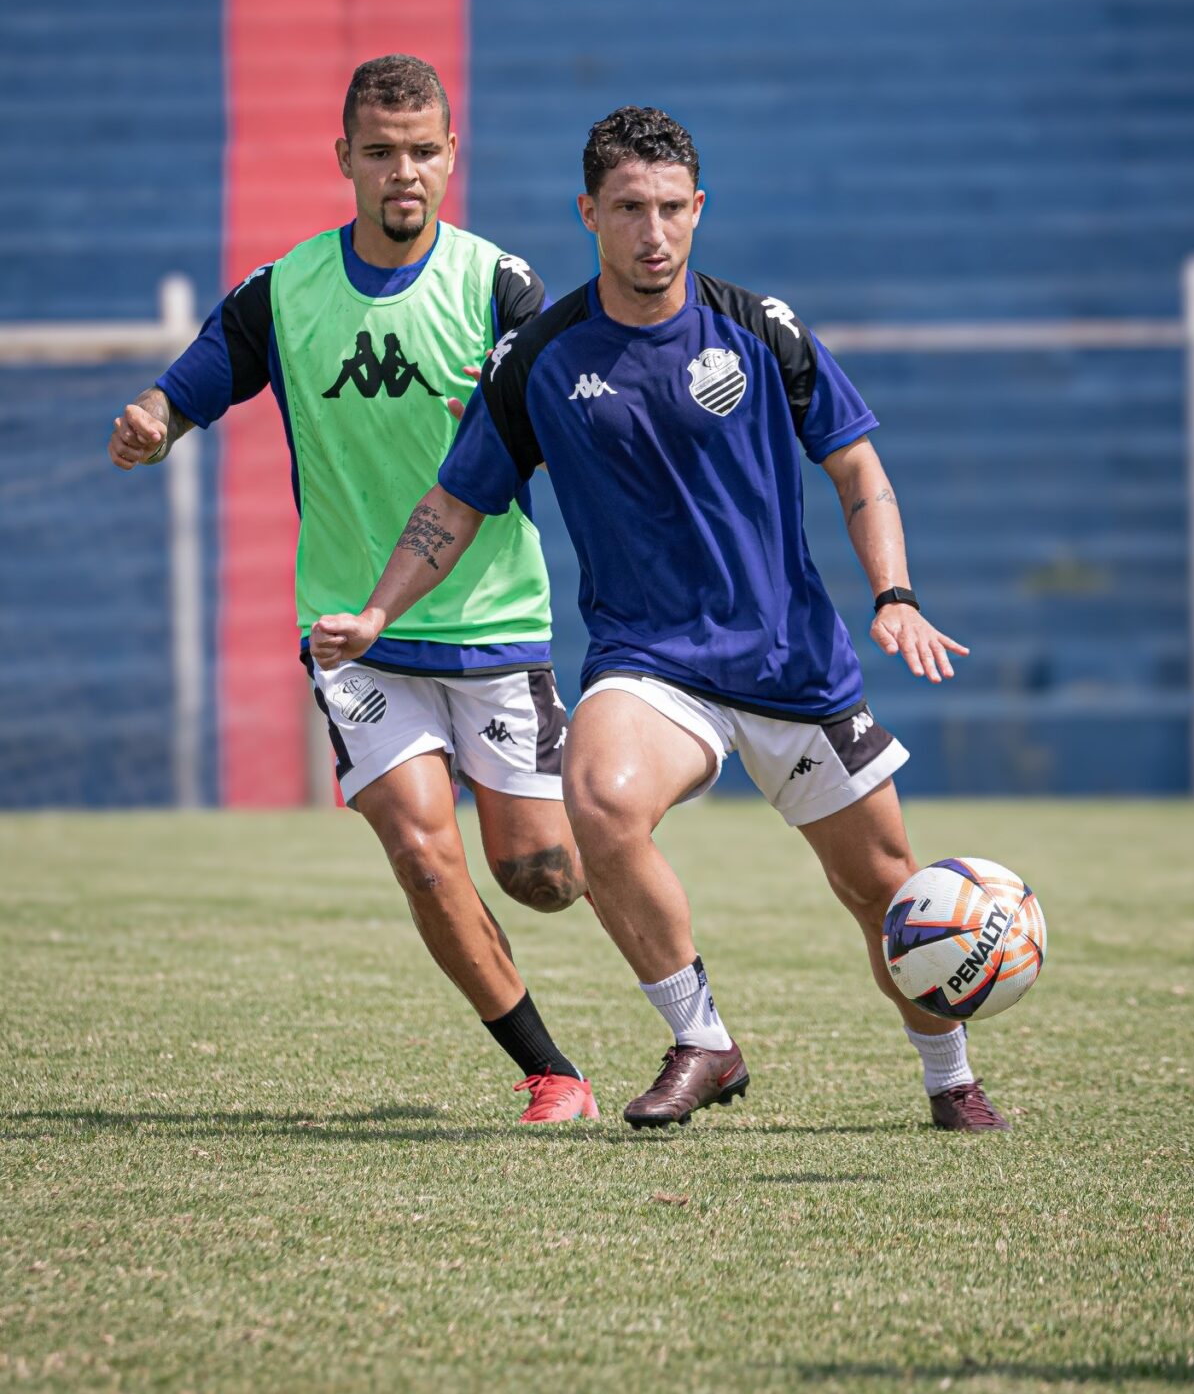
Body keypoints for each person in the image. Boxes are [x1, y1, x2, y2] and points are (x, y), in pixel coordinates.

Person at [311, 105, 1010, 1134]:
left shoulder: (760, 329)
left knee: (882, 892)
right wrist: (377, 612)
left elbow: (856, 467)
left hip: (790, 665)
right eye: (629, 209)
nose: (653, 232)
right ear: (587, 212)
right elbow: (452, 505)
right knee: (595, 802)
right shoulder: (540, 359)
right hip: (652, 665)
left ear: (697, 209)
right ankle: (701, 1040)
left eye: (672, 209)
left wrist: (893, 595)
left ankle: (948, 1078)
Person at [108, 55, 599, 1124]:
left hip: (490, 619)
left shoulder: (497, 287)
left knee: (538, 872)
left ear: (451, 156)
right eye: (379, 151)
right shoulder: (285, 291)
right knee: (423, 857)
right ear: (344, 159)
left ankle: (598, 885)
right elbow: (192, 379)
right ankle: (550, 1072)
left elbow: (565, 420)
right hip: (349, 631)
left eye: (422, 149)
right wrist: (153, 417)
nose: (402, 170)